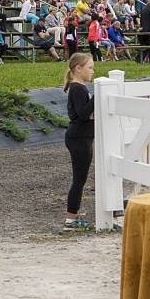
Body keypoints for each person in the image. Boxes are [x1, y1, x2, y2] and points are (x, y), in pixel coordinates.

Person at [63, 53, 95, 230]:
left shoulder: (79, 88)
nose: (92, 71)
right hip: (79, 138)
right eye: (90, 67)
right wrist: (98, 97)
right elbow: (83, 114)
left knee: (80, 179)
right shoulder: (78, 88)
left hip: (81, 137)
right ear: (78, 68)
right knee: (79, 180)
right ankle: (71, 218)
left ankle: (72, 216)